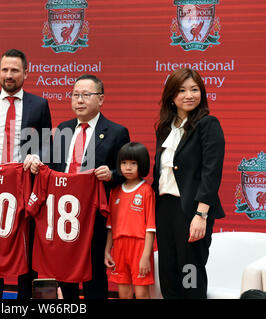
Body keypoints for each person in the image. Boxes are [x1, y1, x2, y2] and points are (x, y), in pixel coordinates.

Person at [0, 48, 52, 299]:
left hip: (24, 187)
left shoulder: (39, 104)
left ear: (26, 72)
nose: (9, 74)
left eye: (14, 70)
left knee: (27, 253)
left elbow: (47, 142)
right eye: (4, 69)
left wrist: (37, 157)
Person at [51, 74, 130, 299]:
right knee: (65, 273)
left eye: (86, 95)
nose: (80, 100)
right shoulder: (63, 129)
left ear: (101, 99)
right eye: (76, 95)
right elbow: (54, 166)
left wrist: (111, 174)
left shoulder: (116, 132)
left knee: (94, 273)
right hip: (63, 212)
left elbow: (126, 172)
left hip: (94, 213)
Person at [152, 68, 225, 299]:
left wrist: (201, 214)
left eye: (194, 90)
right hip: (165, 210)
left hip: (192, 210)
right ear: (171, 97)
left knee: (189, 276)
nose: (189, 95)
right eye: (182, 90)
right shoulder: (165, 128)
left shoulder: (208, 124)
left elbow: (211, 173)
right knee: (169, 276)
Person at [104, 142, 155, 299]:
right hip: (119, 248)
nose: (128, 167)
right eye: (124, 163)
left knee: (141, 293)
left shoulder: (146, 191)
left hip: (139, 248)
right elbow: (111, 226)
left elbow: (150, 228)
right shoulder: (115, 191)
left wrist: (146, 256)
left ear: (142, 165)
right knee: (123, 293)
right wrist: (107, 251)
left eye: (133, 163)